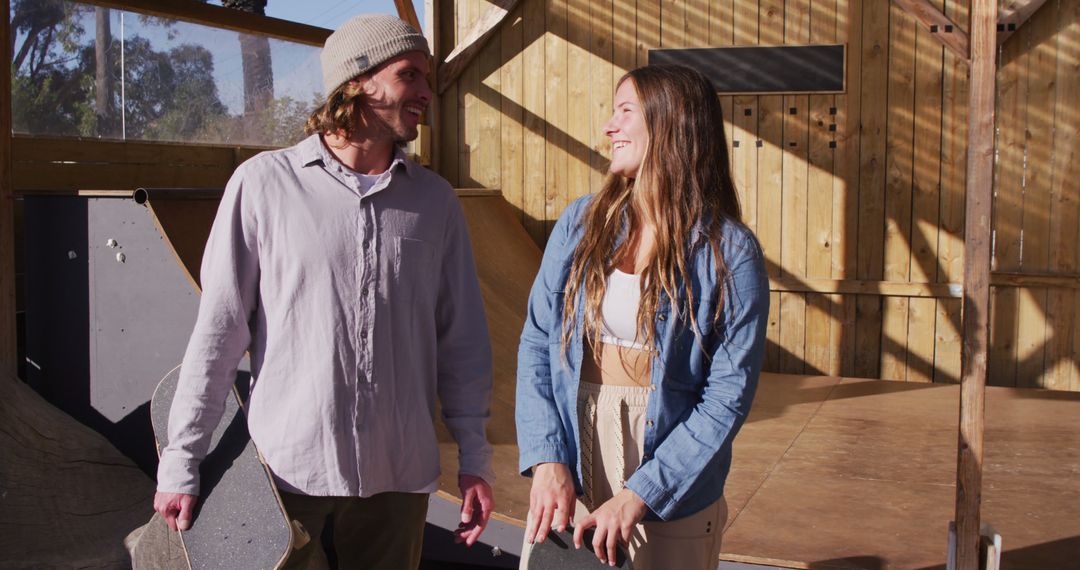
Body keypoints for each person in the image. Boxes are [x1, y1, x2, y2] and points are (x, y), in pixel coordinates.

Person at [153, 14, 496, 569]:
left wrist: (475, 459)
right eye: (411, 76)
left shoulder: (436, 204)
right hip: (287, 471)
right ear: (358, 81)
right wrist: (181, 461)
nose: (427, 94)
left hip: (398, 477)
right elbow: (218, 333)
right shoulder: (265, 184)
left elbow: (463, 343)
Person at [515, 64, 769, 569]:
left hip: (670, 468)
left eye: (624, 111)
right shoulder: (582, 222)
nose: (609, 127)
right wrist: (547, 458)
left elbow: (726, 396)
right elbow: (538, 340)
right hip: (571, 452)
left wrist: (644, 492)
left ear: (672, 125)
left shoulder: (729, 252)